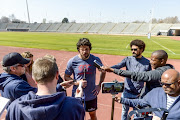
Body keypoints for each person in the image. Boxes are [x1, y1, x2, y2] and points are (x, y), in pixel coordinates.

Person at [6, 57, 85, 120]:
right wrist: (78, 99)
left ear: (34, 78)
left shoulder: (15, 107)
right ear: (57, 75)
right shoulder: (74, 106)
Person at [0, 52, 73, 103]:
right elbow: (40, 95)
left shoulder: (4, 79)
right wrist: (60, 86)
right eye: (22, 65)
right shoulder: (17, 85)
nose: (25, 66)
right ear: (13, 68)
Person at [64, 38, 106, 120]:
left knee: (93, 115)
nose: (84, 52)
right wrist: (77, 82)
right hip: (77, 95)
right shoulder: (72, 61)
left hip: (91, 95)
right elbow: (66, 77)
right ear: (78, 50)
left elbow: (103, 71)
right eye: (82, 49)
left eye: (86, 49)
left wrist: (99, 85)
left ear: (90, 49)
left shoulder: (95, 60)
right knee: (77, 116)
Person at [102, 50, 174, 97]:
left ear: (162, 61)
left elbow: (138, 75)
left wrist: (113, 70)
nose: (150, 62)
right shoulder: (168, 68)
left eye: (152, 60)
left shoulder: (161, 73)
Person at [110, 39, 151, 120]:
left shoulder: (147, 63)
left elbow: (149, 79)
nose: (133, 51)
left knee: (137, 114)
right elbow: (118, 66)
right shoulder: (127, 59)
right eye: (132, 49)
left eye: (135, 49)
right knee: (124, 112)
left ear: (142, 49)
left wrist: (144, 93)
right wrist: (108, 68)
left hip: (138, 94)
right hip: (127, 92)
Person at [115, 69, 180, 120]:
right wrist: (122, 100)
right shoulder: (155, 92)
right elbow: (141, 102)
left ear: (178, 83)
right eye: (162, 83)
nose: (164, 86)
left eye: (168, 84)